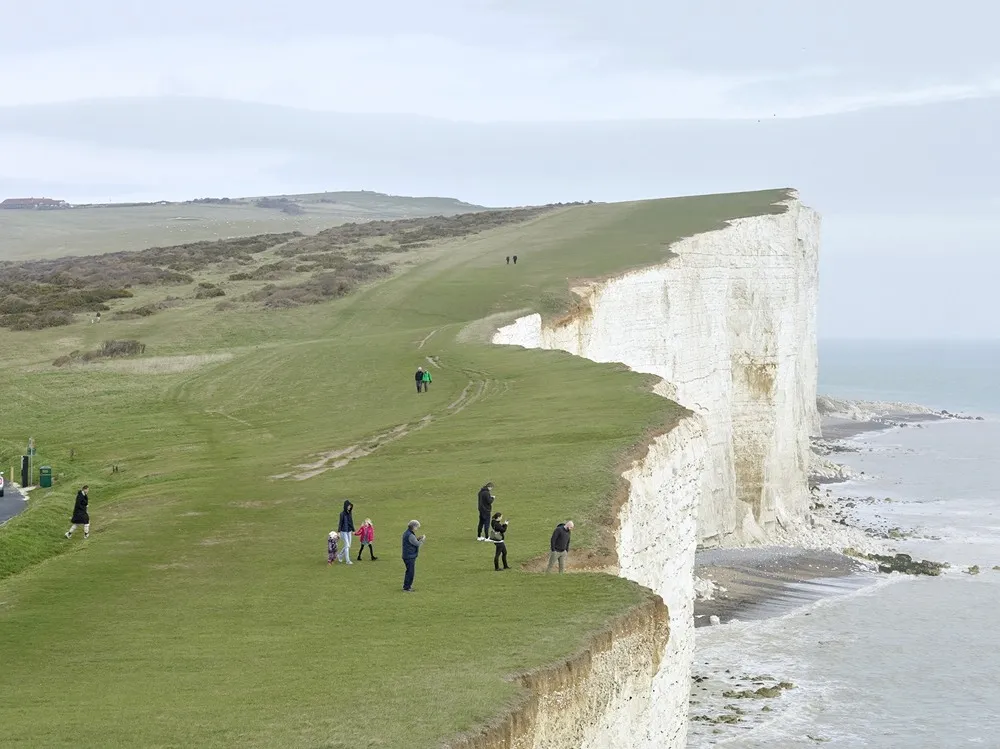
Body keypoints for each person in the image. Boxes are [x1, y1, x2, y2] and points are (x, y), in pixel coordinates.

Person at [401, 519, 426, 592]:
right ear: (413, 527)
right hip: (409, 556)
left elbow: (412, 541)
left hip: (407, 555)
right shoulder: (410, 535)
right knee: (410, 572)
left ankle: (407, 586)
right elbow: (417, 544)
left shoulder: (407, 533)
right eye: (417, 527)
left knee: (409, 571)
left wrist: (418, 538)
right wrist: (422, 540)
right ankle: (407, 587)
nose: (417, 528)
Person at [338, 500, 356, 565]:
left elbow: (351, 522)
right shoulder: (342, 514)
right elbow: (340, 523)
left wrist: (353, 530)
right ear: (346, 506)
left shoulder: (350, 513)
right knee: (347, 545)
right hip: (343, 531)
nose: (349, 507)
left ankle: (340, 555)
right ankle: (348, 561)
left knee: (348, 546)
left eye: (350, 506)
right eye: (348, 506)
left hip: (349, 531)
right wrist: (339, 532)